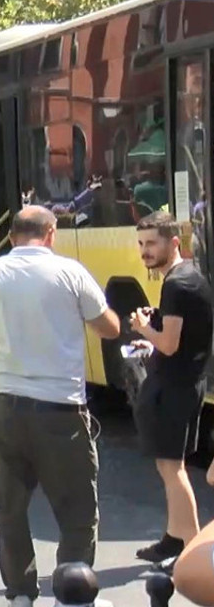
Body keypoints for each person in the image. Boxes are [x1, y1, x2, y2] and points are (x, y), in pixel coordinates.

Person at [0, 206, 119, 607]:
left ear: (13, 236)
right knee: (76, 509)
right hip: (60, 409)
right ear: (50, 233)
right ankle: (71, 594)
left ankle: (20, 594)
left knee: (11, 509)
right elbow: (109, 327)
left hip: (4, 408)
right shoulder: (70, 273)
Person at [131, 211, 214, 564]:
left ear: (173, 242)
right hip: (185, 382)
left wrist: (142, 328)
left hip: (175, 387)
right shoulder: (189, 275)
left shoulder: (177, 284)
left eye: (152, 243)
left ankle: (193, 549)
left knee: (172, 468)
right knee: (170, 466)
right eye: (141, 244)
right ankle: (173, 538)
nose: (145, 251)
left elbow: (168, 344)